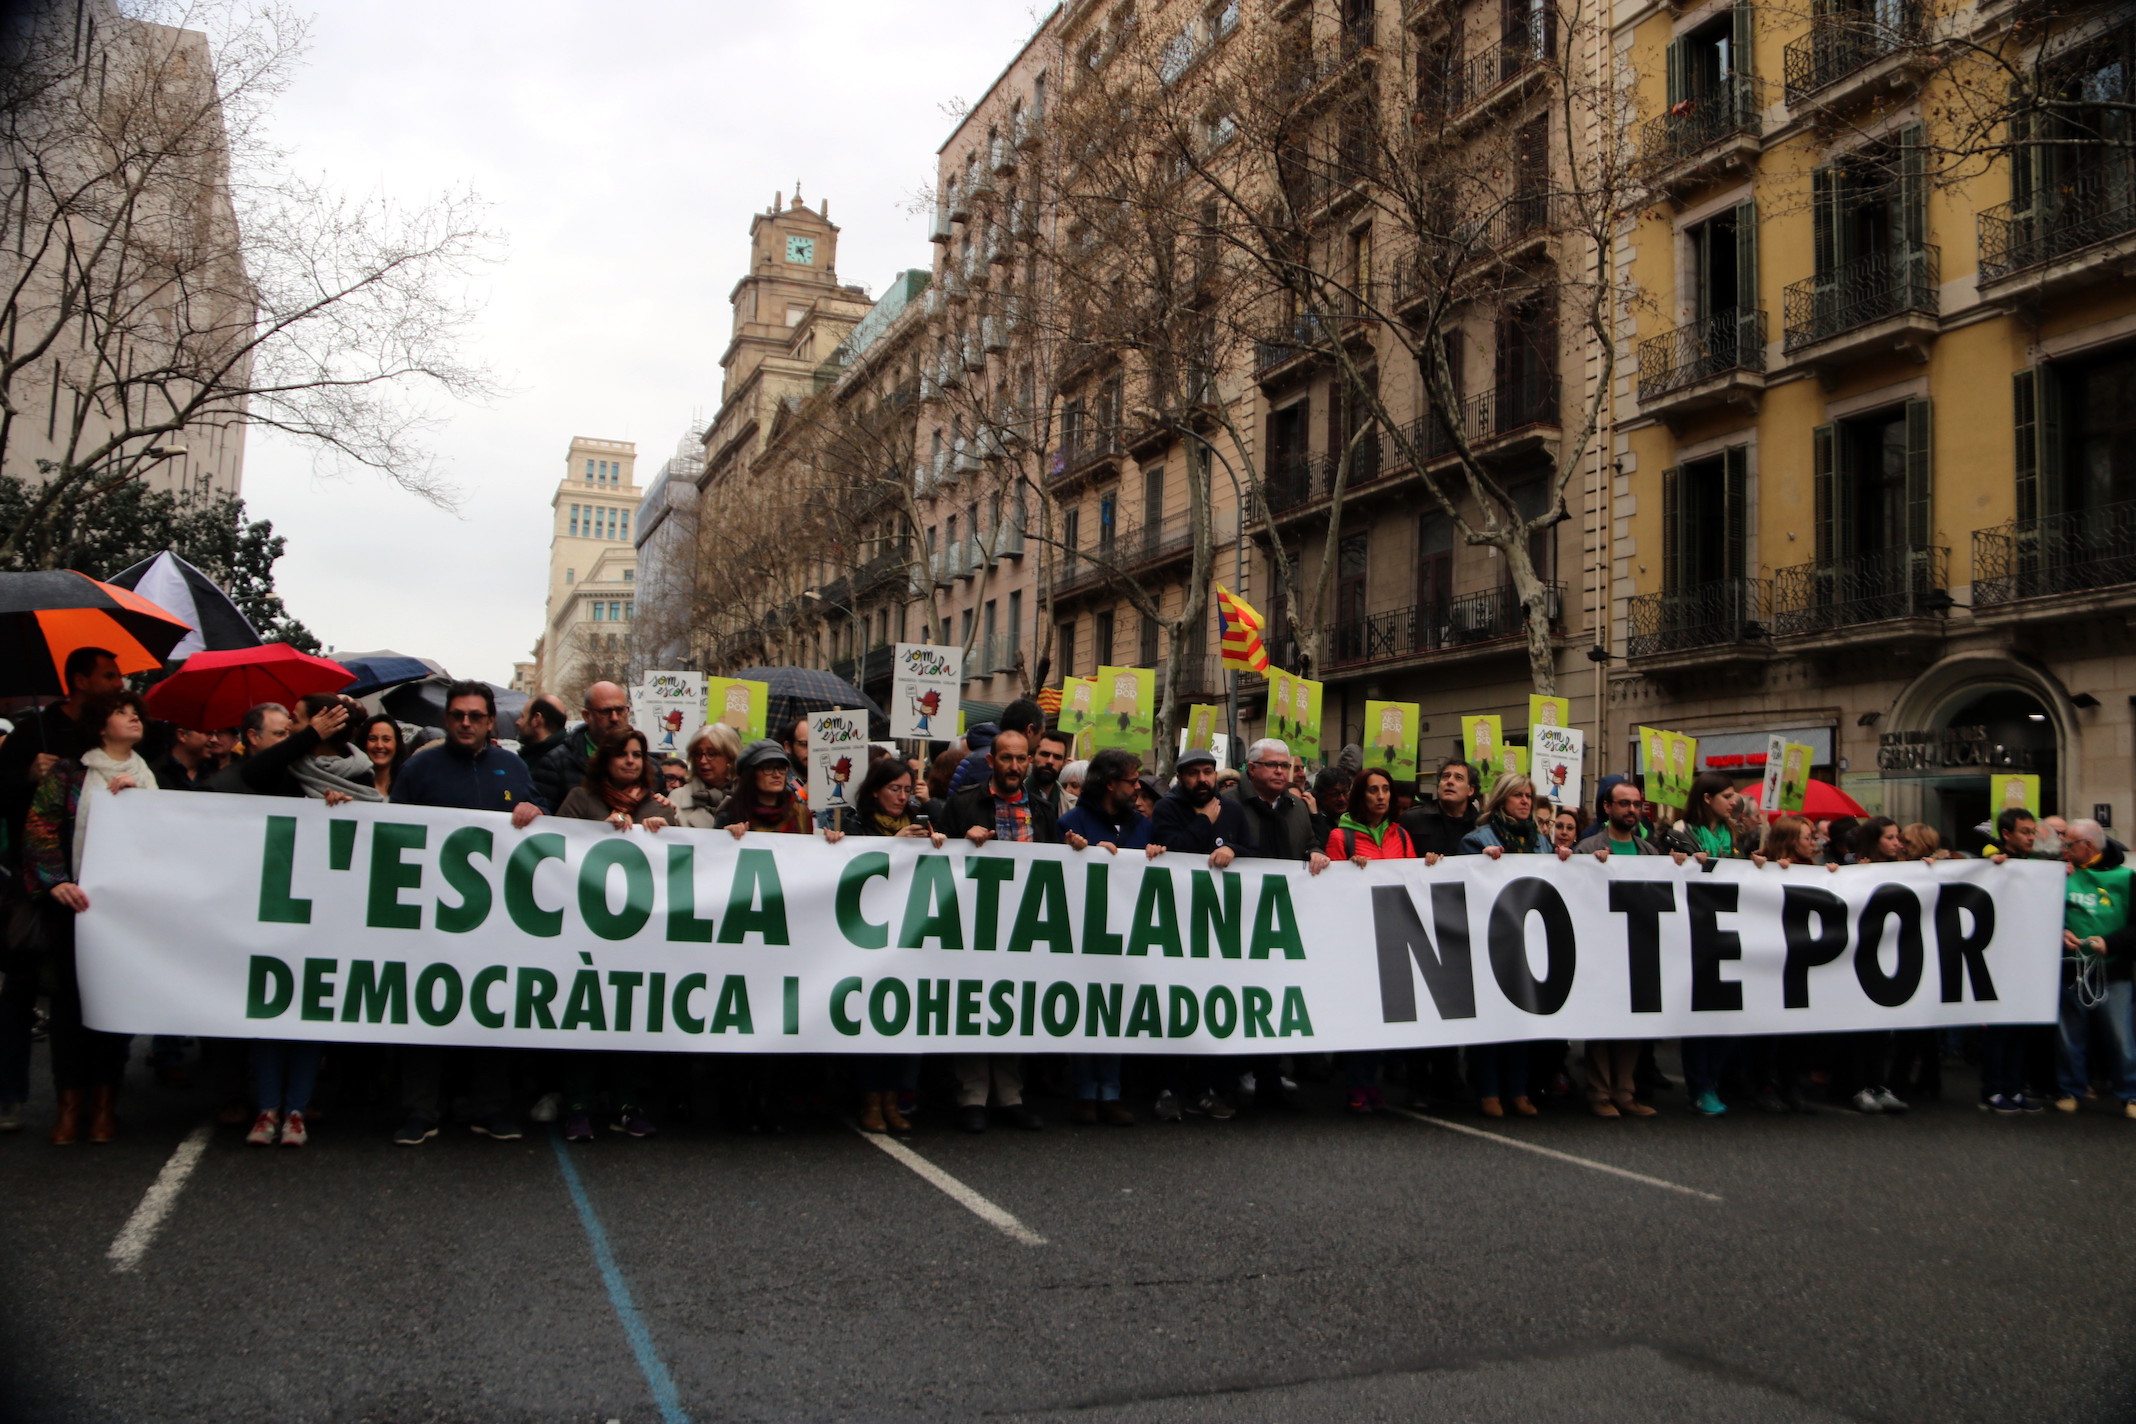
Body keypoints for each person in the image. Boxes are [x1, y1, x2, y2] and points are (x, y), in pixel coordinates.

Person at [386, 681, 544, 1146]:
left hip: (496, 919)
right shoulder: (420, 768)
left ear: (490, 721)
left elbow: (545, 818)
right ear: (446, 718)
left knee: (490, 1009)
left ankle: (490, 1108)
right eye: (458, 715)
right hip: (431, 916)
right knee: (426, 1012)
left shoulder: (512, 767)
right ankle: (420, 1111)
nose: (466, 723)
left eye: (475, 715)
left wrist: (537, 809)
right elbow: (392, 830)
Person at [21, 687, 158, 1144]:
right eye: (122, 713)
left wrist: (136, 801)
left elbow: (162, 839)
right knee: (69, 1009)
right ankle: (69, 1106)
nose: (133, 718)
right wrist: (55, 880)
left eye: (135, 711)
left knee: (113, 1005)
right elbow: (39, 826)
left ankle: (104, 1106)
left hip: (123, 913)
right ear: (101, 727)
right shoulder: (70, 773)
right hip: (73, 910)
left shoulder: (146, 775)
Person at [938, 728, 1084, 1131]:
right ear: (992, 761)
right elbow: (934, 855)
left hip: (1023, 927)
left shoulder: (1040, 809)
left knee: (1010, 1006)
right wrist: (959, 841)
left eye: (1023, 759)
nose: (1016, 767)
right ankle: (972, 1096)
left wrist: (1074, 850)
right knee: (973, 1005)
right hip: (972, 923)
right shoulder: (963, 804)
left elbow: (1052, 865)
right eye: (1007, 758)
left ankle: (1009, 1095)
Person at [554, 729, 674, 1142]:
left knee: (630, 1020)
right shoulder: (579, 801)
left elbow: (677, 865)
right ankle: (578, 1106)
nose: (630, 761)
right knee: (586, 1022)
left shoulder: (658, 807)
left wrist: (661, 831)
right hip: (584, 933)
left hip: (638, 937)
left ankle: (626, 1102)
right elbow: (556, 853)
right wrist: (596, 834)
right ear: (604, 759)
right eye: (622, 754)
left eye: (638, 755)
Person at [1147, 747, 1256, 1121]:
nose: (1203, 780)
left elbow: (1251, 850)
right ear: (1181, 777)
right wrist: (1206, 822)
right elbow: (1176, 851)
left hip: (1218, 926)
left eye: (1208, 772)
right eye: (1194, 773)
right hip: (1176, 924)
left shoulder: (1234, 810)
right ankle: (1168, 1088)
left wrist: (1232, 852)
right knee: (1176, 1009)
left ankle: (1205, 1088)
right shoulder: (1168, 809)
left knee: (1211, 1008)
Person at [1057, 747, 1162, 1126]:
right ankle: (1085, 1091)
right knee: (1088, 1011)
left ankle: (1111, 1091)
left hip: (1128, 935)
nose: (1138, 787)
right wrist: (1080, 853)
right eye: (1132, 781)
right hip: (1085, 933)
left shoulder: (1143, 825)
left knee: (1116, 1011)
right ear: (1110, 783)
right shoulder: (1072, 821)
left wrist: (1155, 854)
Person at [842, 757, 946, 1135]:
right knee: (874, 1018)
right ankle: (871, 1100)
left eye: (906, 790)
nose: (902, 797)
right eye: (894, 789)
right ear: (875, 790)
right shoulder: (857, 823)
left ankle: (893, 1098)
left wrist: (938, 842)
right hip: (870, 938)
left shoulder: (921, 820)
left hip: (912, 936)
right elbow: (850, 866)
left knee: (904, 1020)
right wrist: (891, 846)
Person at [1457, 773, 1565, 1118]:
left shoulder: (1541, 843)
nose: (1524, 802)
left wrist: (1567, 860)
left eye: (1529, 796)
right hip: (1491, 942)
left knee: (1522, 1020)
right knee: (1491, 1020)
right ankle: (1488, 1089)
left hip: (1529, 940)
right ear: (1501, 799)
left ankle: (1518, 1090)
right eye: (1517, 795)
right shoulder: (1477, 840)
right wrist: (1480, 863)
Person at [1654, 772, 1749, 1116]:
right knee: (1700, 1015)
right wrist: (1675, 863)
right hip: (1695, 934)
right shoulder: (1680, 833)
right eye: (1726, 795)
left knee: (1728, 1015)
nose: (1733, 801)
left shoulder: (1734, 835)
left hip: (1730, 932)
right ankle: (1700, 1086)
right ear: (1707, 798)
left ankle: (1716, 1079)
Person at [1573, 778, 1668, 1117]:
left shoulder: (1650, 852)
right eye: (1624, 803)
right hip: (1601, 948)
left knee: (1631, 1022)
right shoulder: (1588, 848)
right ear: (1607, 808)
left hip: (1637, 947)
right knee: (1602, 1022)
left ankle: (1625, 1092)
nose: (1632, 810)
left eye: (1636, 804)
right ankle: (1599, 1093)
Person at [1327, 767, 1415, 1114]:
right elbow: (1332, 891)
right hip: (1357, 939)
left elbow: (1413, 880)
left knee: (1386, 1015)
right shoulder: (1340, 837)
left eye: (1385, 790)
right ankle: (1357, 1084)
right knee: (1361, 1013)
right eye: (1373, 790)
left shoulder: (1403, 836)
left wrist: (1431, 865)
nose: (1381, 796)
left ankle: (1374, 1083)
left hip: (1393, 934)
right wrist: (1349, 868)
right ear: (1360, 796)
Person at [2052, 818, 2136, 1117]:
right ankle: (2070, 1089)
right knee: (2069, 1036)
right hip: (2071, 969)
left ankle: (2130, 1094)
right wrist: (2060, 931)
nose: (2065, 848)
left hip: (2113, 972)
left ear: (2087, 846)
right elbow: (2044, 913)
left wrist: (2110, 943)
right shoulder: (2060, 874)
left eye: (2070, 844)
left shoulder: (2127, 878)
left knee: (2121, 1037)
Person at [1836, 817, 1910, 1113]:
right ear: (1874, 840)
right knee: (1858, 1027)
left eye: (1897, 837)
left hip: (1888, 955)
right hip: (1857, 956)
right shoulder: (1854, 871)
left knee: (1881, 1027)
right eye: (1890, 838)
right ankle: (1857, 1086)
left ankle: (1879, 1084)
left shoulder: (1905, 870)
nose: (1896, 843)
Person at [530, 681, 631, 813]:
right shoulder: (556, 763)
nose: (614, 718)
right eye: (606, 712)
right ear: (586, 716)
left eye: (620, 710)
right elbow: (544, 815)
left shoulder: (648, 766)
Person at [1232, 738, 1330, 873]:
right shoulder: (1227, 802)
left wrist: (1316, 853)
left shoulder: (1298, 806)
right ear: (1252, 768)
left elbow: (1310, 844)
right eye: (1271, 764)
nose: (1279, 771)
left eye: (1284, 765)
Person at [949, 698, 1044, 797]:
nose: (1014, 767)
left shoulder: (978, 756)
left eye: (1021, 759)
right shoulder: (983, 763)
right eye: (1006, 758)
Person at [718, 740, 813, 836]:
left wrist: (826, 841)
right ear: (751, 774)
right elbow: (714, 848)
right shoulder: (730, 815)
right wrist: (726, 837)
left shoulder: (801, 813)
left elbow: (810, 849)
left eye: (781, 768)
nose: (777, 774)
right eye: (768, 768)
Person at [1398, 758, 1480, 861]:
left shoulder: (1481, 824)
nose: (1450, 781)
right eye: (1445, 776)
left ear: (1470, 790)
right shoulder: (1412, 819)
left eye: (1458, 778)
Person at [671, 722, 740, 829]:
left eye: (711, 754)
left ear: (730, 757)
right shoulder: (678, 798)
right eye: (698, 754)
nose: (702, 761)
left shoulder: (748, 799)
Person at [360, 715, 409, 801]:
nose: (379, 745)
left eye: (386, 739)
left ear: (397, 744)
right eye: (373, 739)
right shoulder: (350, 783)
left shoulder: (409, 785)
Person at [514, 694, 571, 767]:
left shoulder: (546, 764)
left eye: (522, 716)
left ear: (536, 719)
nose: (517, 722)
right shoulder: (572, 755)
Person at [152, 725, 213, 791]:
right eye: (208, 733)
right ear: (182, 735)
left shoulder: (213, 772)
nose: (214, 739)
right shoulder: (155, 773)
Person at [1031, 728, 1073, 815]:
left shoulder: (1072, 807)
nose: (1050, 761)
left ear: (1064, 763)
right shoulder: (1012, 796)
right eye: (1044, 754)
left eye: (1057, 757)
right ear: (1032, 757)